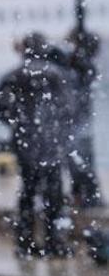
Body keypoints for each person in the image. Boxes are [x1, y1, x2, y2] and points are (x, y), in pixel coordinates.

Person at [0, 33, 73, 257]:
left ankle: (25, 243)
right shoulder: (57, 75)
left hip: (25, 142)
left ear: (23, 50)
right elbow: (68, 110)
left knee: (28, 192)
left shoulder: (13, 76)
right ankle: (54, 243)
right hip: (51, 143)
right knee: (53, 194)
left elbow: (1, 109)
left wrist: (17, 123)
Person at [53, 28, 103, 208]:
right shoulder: (83, 69)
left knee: (78, 162)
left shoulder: (81, 68)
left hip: (75, 122)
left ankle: (88, 198)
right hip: (78, 122)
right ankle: (83, 197)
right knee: (80, 160)